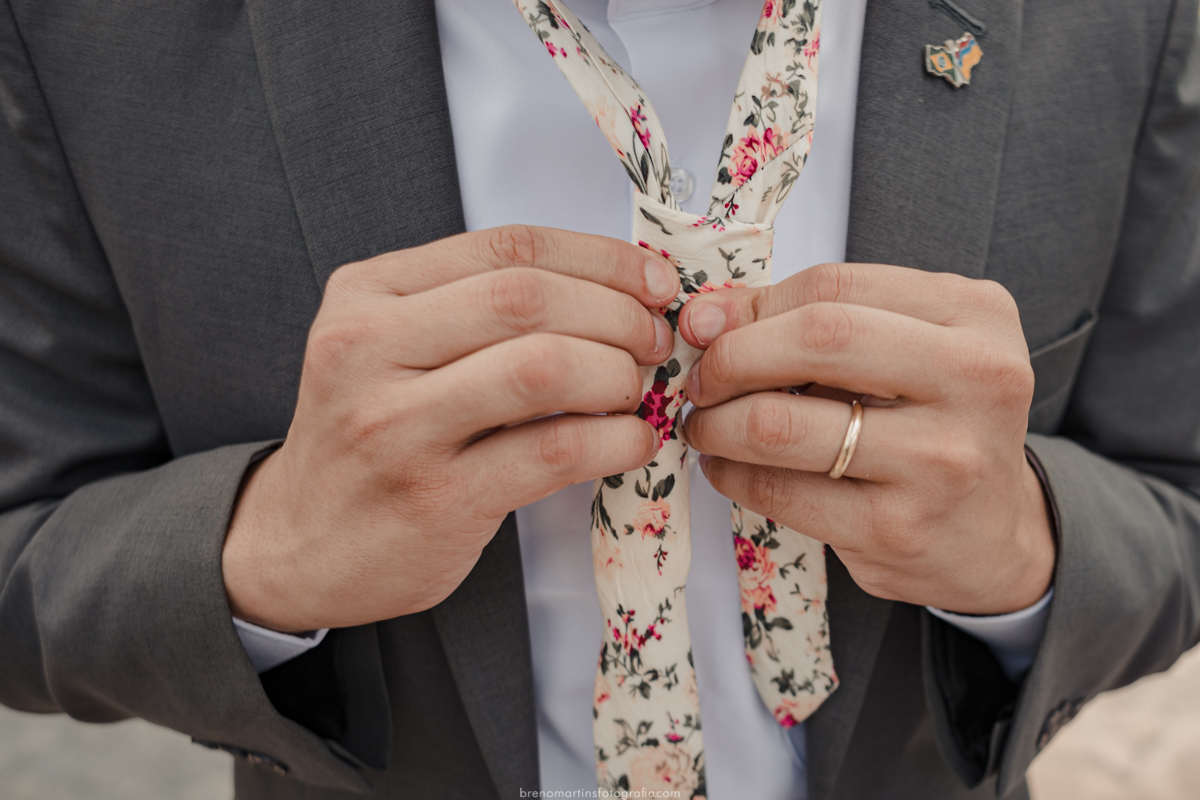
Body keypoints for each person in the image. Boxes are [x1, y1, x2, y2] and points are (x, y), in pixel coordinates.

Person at [1, 0, 1197, 798]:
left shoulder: (1126, 20)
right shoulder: (82, 32)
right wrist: (261, 549)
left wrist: (1030, 545)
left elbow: (1178, 499)